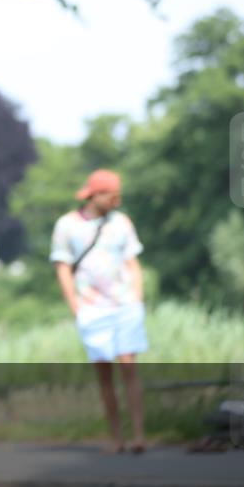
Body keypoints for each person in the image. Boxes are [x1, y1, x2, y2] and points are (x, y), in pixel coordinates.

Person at [50, 169, 148, 454]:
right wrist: (76, 307)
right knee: (104, 375)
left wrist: (137, 298)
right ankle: (116, 437)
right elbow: (62, 267)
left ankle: (139, 436)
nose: (116, 202)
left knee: (129, 368)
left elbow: (132, 262)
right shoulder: (66, 225)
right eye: (111, 196)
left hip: (125, 304)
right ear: (95, 195)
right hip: (92, 308)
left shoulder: (122, 223)